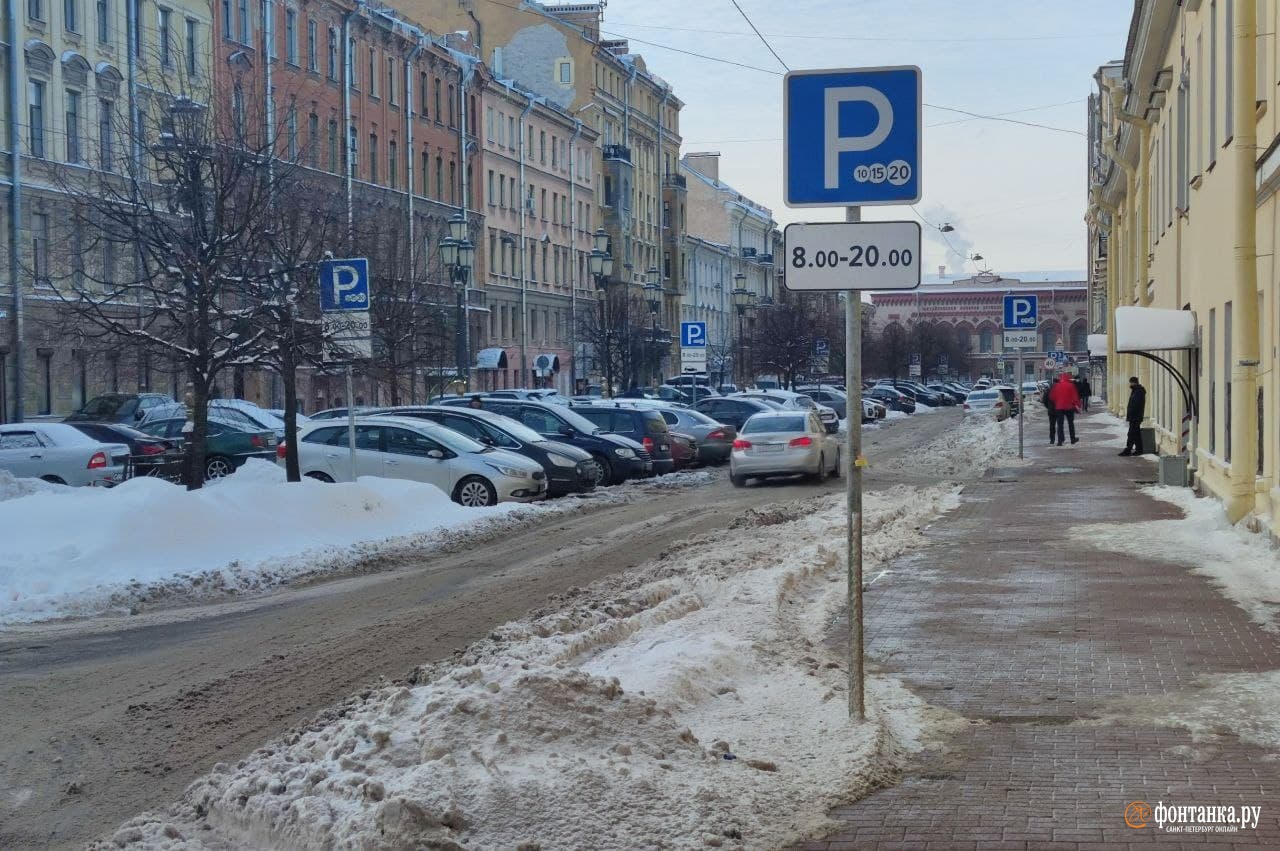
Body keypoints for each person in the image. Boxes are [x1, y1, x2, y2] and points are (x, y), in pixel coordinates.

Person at [1048, 372, 1081, 446]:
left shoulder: (1057, 386)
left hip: (1059, 407)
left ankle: (1059, 441)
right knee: (1070, 423)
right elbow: (1075, 397)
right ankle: (1072, 439)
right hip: (1069, 407)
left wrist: (1057, 402)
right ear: (1068, 378)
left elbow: (1051, 397)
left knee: (1060, 424)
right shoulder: (1071, 385)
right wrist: (1078, 405)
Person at [1119, 376, 1147, 456]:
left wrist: (1131, 415)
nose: (1130, 384)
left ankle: (1128, 450)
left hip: (1135, 417)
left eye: (1131, 382)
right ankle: (1139, 449)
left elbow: (1136, 405)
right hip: (1135, 417)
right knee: (1136, 434)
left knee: (1131, 434)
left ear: (1134, 382)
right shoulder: (1136, 390)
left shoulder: (1138, 391)